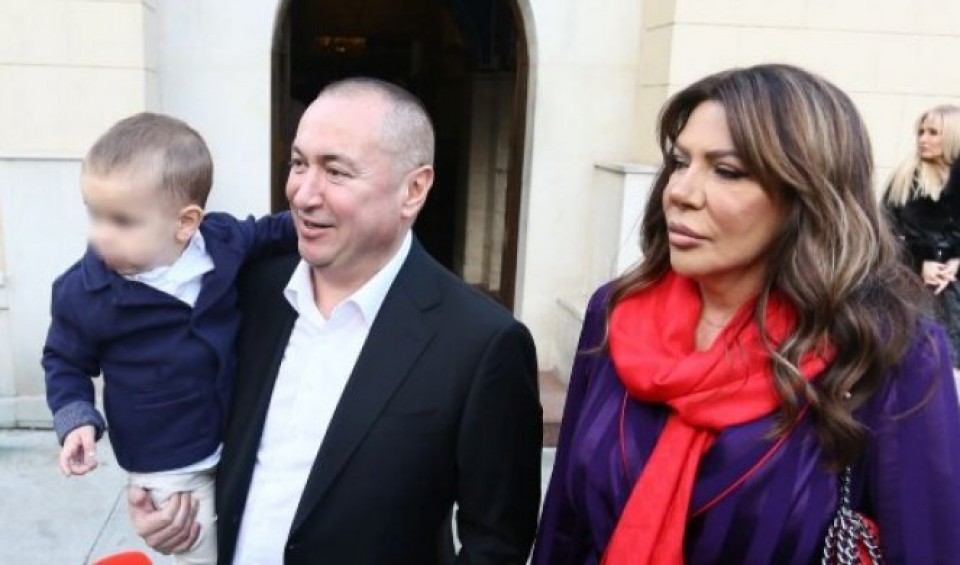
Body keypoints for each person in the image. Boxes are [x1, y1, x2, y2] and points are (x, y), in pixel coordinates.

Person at [533, 64, 960, 564]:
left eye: (728, 171)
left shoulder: (888, 351)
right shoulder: (616, 313)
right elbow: (563, 527)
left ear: (807, 195)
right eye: (680, 162)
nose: (680, 191)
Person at [128, 77, 543, 564]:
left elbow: (496, 545)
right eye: (298, 163)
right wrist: (170, 498)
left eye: (336, 171)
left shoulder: (482, 343)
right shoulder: (248, 291)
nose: (303, 194)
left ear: (413, 189)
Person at [42, 112, 297, 565]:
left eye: (121, 220)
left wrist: (317, 221)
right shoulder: (85, 292)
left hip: (234, 434)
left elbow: (268, 233)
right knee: (199, 550)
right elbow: (64, 360)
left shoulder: (220, 243)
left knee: (250, 537)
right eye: (94, 213)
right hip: (168, 460)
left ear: (185, 223)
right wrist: (75, 416)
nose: (100, 234)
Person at [884, 105, 960, 365]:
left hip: (954, 292)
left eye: (933, 133)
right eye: (921, 132)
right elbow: (884, 234)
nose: (923, 139)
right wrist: (919, 262)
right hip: (912, 288)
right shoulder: (906, 178)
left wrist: (957, 261)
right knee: (913, 360)